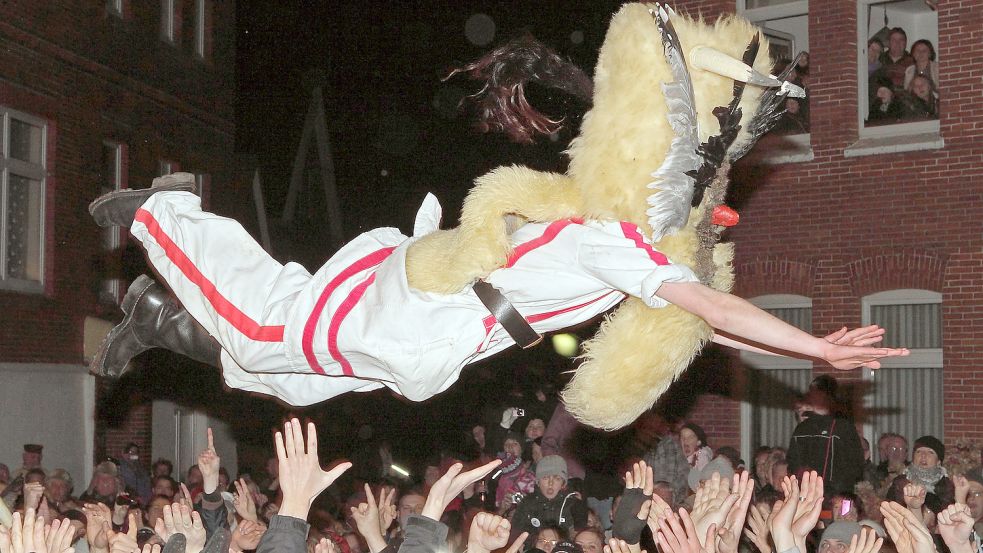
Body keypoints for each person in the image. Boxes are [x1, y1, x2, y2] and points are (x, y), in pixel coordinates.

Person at [87, 175, 907, 408]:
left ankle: (160, 321)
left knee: (290, 381)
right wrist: (816, 347)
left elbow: (707, 325)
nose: (700, 241)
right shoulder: (611, 237)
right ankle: (165, 209)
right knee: (271, 327)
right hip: (429, 305)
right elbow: (712, 309)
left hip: (457, 332)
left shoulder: (627, 257)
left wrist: (797, 352)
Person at [786, 386, 865, 497]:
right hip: (808, 493)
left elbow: (855, 463)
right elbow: (793, 463)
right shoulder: (801, 431)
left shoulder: (841, 427)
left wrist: (842, 488)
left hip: (838, 494)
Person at [509, 455, 586, 540]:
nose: (551, 483)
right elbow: (516, 533)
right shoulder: (527, 503)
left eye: (557, 478)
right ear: (538, 482)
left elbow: (581, 537)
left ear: (563, 483)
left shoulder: (573, 503)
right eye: (545, 478)